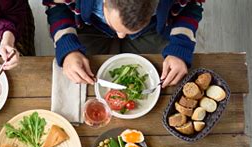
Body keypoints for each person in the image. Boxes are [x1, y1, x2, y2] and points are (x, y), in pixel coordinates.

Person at [43, 0, 204, 88]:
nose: (120, 36)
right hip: (86, 24)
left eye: (128, 31)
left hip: (154, 27)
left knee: (159, 73)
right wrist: (67, 48)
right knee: (79, 79)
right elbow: (56, 5)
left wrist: (180, 48)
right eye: (116, 27)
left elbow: (191, 6)